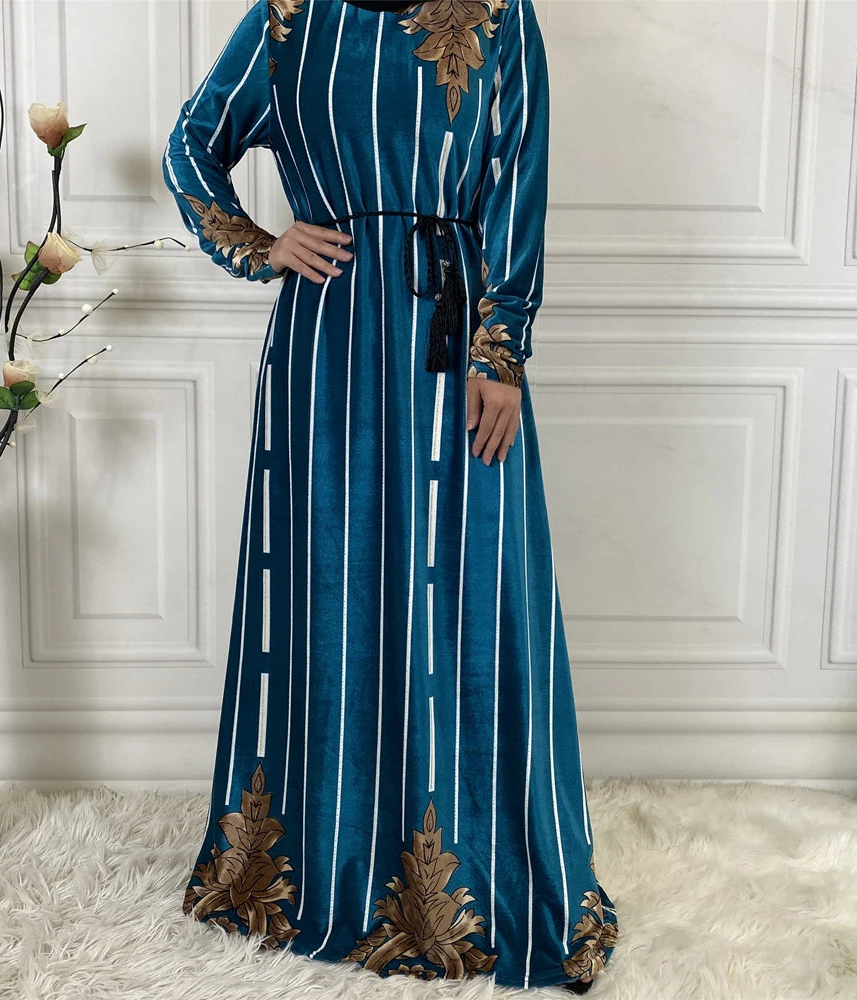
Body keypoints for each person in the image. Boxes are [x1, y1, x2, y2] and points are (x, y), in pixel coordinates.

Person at [162, 0, 619, 991]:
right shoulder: (290, 17)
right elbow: (192, 143)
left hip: (453, 341)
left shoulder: (498, 14)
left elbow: (518, 179)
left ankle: (474, 861)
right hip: (325, 347)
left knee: (476, 580)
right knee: (334, 587)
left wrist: (503, 349)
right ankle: (328, 853)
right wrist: (259, 243)